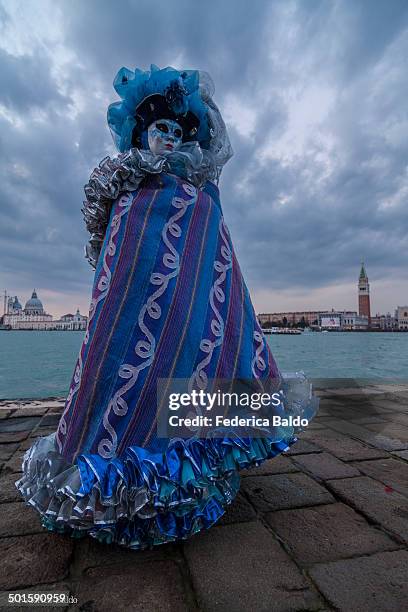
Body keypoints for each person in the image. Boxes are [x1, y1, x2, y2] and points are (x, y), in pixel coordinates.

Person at [15, 65, 319, 549]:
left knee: (186, 367)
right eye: (162, 129)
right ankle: (114, 482)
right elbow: (117, 259)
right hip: (129, 316)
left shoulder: (198, 196)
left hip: (184, 321)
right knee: (120, 376)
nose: (170, 139)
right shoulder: (124, 184)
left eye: (178, 132)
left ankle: (185, 472)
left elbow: (213, 271)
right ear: (143, 132)